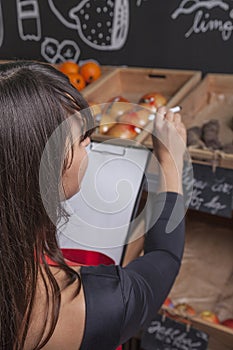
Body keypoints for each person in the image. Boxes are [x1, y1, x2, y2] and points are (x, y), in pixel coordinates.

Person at [0, 61, 186, 350]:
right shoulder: (83, 307)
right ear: (44, 169)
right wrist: (170, 162)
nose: (88, 141)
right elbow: (164, 258)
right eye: (78, 139)